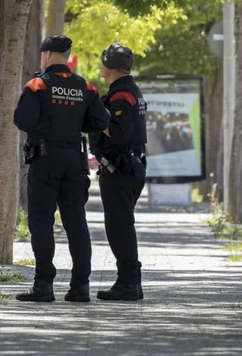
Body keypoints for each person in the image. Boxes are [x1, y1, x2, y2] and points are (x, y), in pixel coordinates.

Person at [13, 35, 109, 303]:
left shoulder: (37, 85)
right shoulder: (86, 87)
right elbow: (100, 120)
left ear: (46, 55)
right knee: (76, 221)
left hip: (45, 160)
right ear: (66, 57)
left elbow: (22, 119)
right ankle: (81, 286)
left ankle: (43, 285)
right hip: (74, 160)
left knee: (42, 221)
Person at [90, 43, 148, 301]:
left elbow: (120, 133)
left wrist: (98, 120)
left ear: (109, 66)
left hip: (121, 169)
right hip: (130, 166)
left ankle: (128, 283)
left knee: (119, 226)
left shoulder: (121, 95)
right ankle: (131, 282)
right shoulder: (129, 91)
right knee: (121, 224)